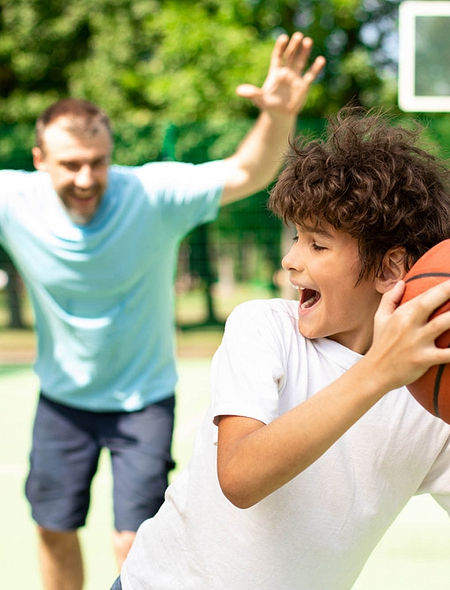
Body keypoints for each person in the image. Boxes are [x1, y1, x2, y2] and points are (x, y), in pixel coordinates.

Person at [115, 107, 450, 590]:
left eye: (318, 245)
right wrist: (379, 372)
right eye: (297, 237)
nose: (291, 260)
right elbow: (239, 477)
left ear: (389, 269)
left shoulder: (434, 393)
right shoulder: (265, 329)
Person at [0, 33, 325, 590]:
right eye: (70, 164)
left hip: (142, 401)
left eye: (97, 163)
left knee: (135, 541)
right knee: (53, 528)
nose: (85, 179)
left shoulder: (151, 195)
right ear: (39, 161)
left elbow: (248, 171)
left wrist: (276, 116)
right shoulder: (14, 200)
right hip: (62, 400)